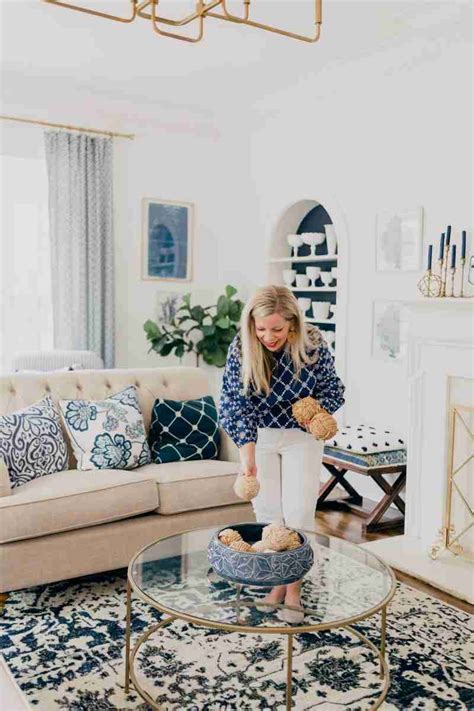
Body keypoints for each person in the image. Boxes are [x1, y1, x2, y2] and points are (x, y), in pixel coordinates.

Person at [219, 285, 345, 622]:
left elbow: (333, 389)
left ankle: (293, 589)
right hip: (260, 436)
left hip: (301, 437)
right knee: (269, 514)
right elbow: (236, 405)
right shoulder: (242, 347)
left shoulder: (313, 343)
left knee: (300, 513)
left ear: (292, 322)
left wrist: (315, 412)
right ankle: (278, 580)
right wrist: (247, 459)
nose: (268, 337)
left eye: (276, 329)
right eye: (261, 329)